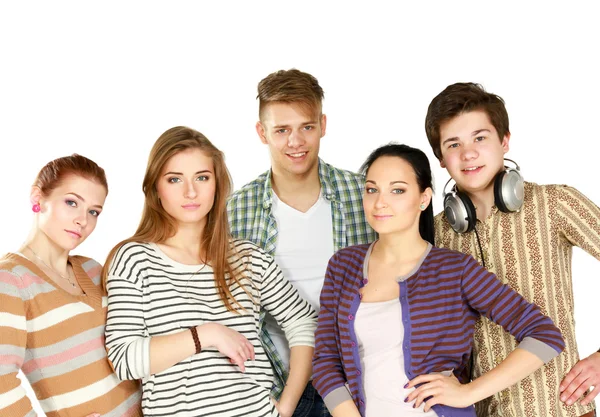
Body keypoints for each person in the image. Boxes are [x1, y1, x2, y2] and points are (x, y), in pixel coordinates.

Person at [312, 143, 565, 417]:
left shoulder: (455, 269)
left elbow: (544, 335)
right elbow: (325, 362)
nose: (379, 202)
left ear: (424, 198)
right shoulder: (343, 265)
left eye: (397, 190)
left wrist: (470, 392)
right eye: (372, 189)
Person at [103, 126, 317, 417]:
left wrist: (287, 406)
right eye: (174, 179)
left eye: (202, 178)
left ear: (217, 185)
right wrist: (207, 334)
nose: (190, 192)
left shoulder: (248, 258)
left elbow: (303, 322)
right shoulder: (134, 259)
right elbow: (125, 360)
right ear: (155, 188)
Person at [425, 82, 599, 417]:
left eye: (480, 137)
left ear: (504, 140)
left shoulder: (556, 203)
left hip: (562, 409)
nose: (469, 153)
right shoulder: (435, 235)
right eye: (453, 144)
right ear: (442, 159)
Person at [227, 68, 376, 416]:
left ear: (323, 125)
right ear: (262, 133)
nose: (295, 142)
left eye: (306, 127)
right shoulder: (235, 211)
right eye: (282, 130)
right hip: (278, 387)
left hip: (357, 382)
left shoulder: (365, 194)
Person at [0, 154, 142, 417]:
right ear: (37, 198)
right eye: (71, 202)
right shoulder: (11, 280)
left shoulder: (93, 269)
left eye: (93, 211)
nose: (83, 220)